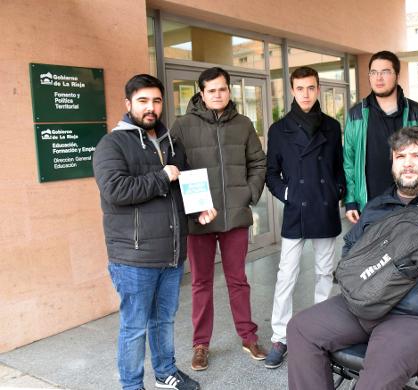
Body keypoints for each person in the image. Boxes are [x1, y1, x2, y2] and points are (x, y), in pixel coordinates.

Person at [287, 126, 418, 389]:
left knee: (377, 376)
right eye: (400, 157)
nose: (408, 163)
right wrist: (357, 285)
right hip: (365, 304)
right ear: (393, 163)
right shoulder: (379, 205)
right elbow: (351, 248)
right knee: (301, 328)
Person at [93, 74, 206, 390]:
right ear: (128, 104)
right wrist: (161, 176)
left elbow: (181, 187)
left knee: (164, 319)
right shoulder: (111, 144)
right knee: (134, 327)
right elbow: (116, 190)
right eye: (143, 101)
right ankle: (131, 385)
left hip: (171, 253)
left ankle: (165, 372)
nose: (151, 107)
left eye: (156, 101)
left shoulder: (172, 142)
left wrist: (199, 208)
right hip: (134, 256)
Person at [170, 67, 267, 371]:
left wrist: (247, 195)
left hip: (234, 217)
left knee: (238, 280)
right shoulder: (183, 126)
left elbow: (258, 162)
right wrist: (194, 206)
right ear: (201, 93)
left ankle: (248, 336)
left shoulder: (243, 124)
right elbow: (175, 170)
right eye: (211, 90)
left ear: (229, 91)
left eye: (222, 89)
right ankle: (200, 344)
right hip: (198, 220)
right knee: (201, 283)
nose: (218, 95)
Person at [264, 66, 345, 369]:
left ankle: (321, 334)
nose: (306, 94)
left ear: (318, 89)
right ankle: (279, 337)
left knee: (325, 272)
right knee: (287, 275)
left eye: (311, 88)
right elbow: (271, 174)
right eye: (300, 88)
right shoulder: (278, 129)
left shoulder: (332, 127)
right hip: (296, 209)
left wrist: (336, 190)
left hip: (324, 207)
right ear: (292, 91)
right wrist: (289, 194)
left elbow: (339, 168)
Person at [343, 50, 418, 224]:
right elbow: (349, 161)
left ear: (397, 75)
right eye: (373, 72)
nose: (378, 78)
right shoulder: (356, 114)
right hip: (369, 206)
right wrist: (350, 200)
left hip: (409, 204)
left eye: (385, 72)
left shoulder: (417, 113)